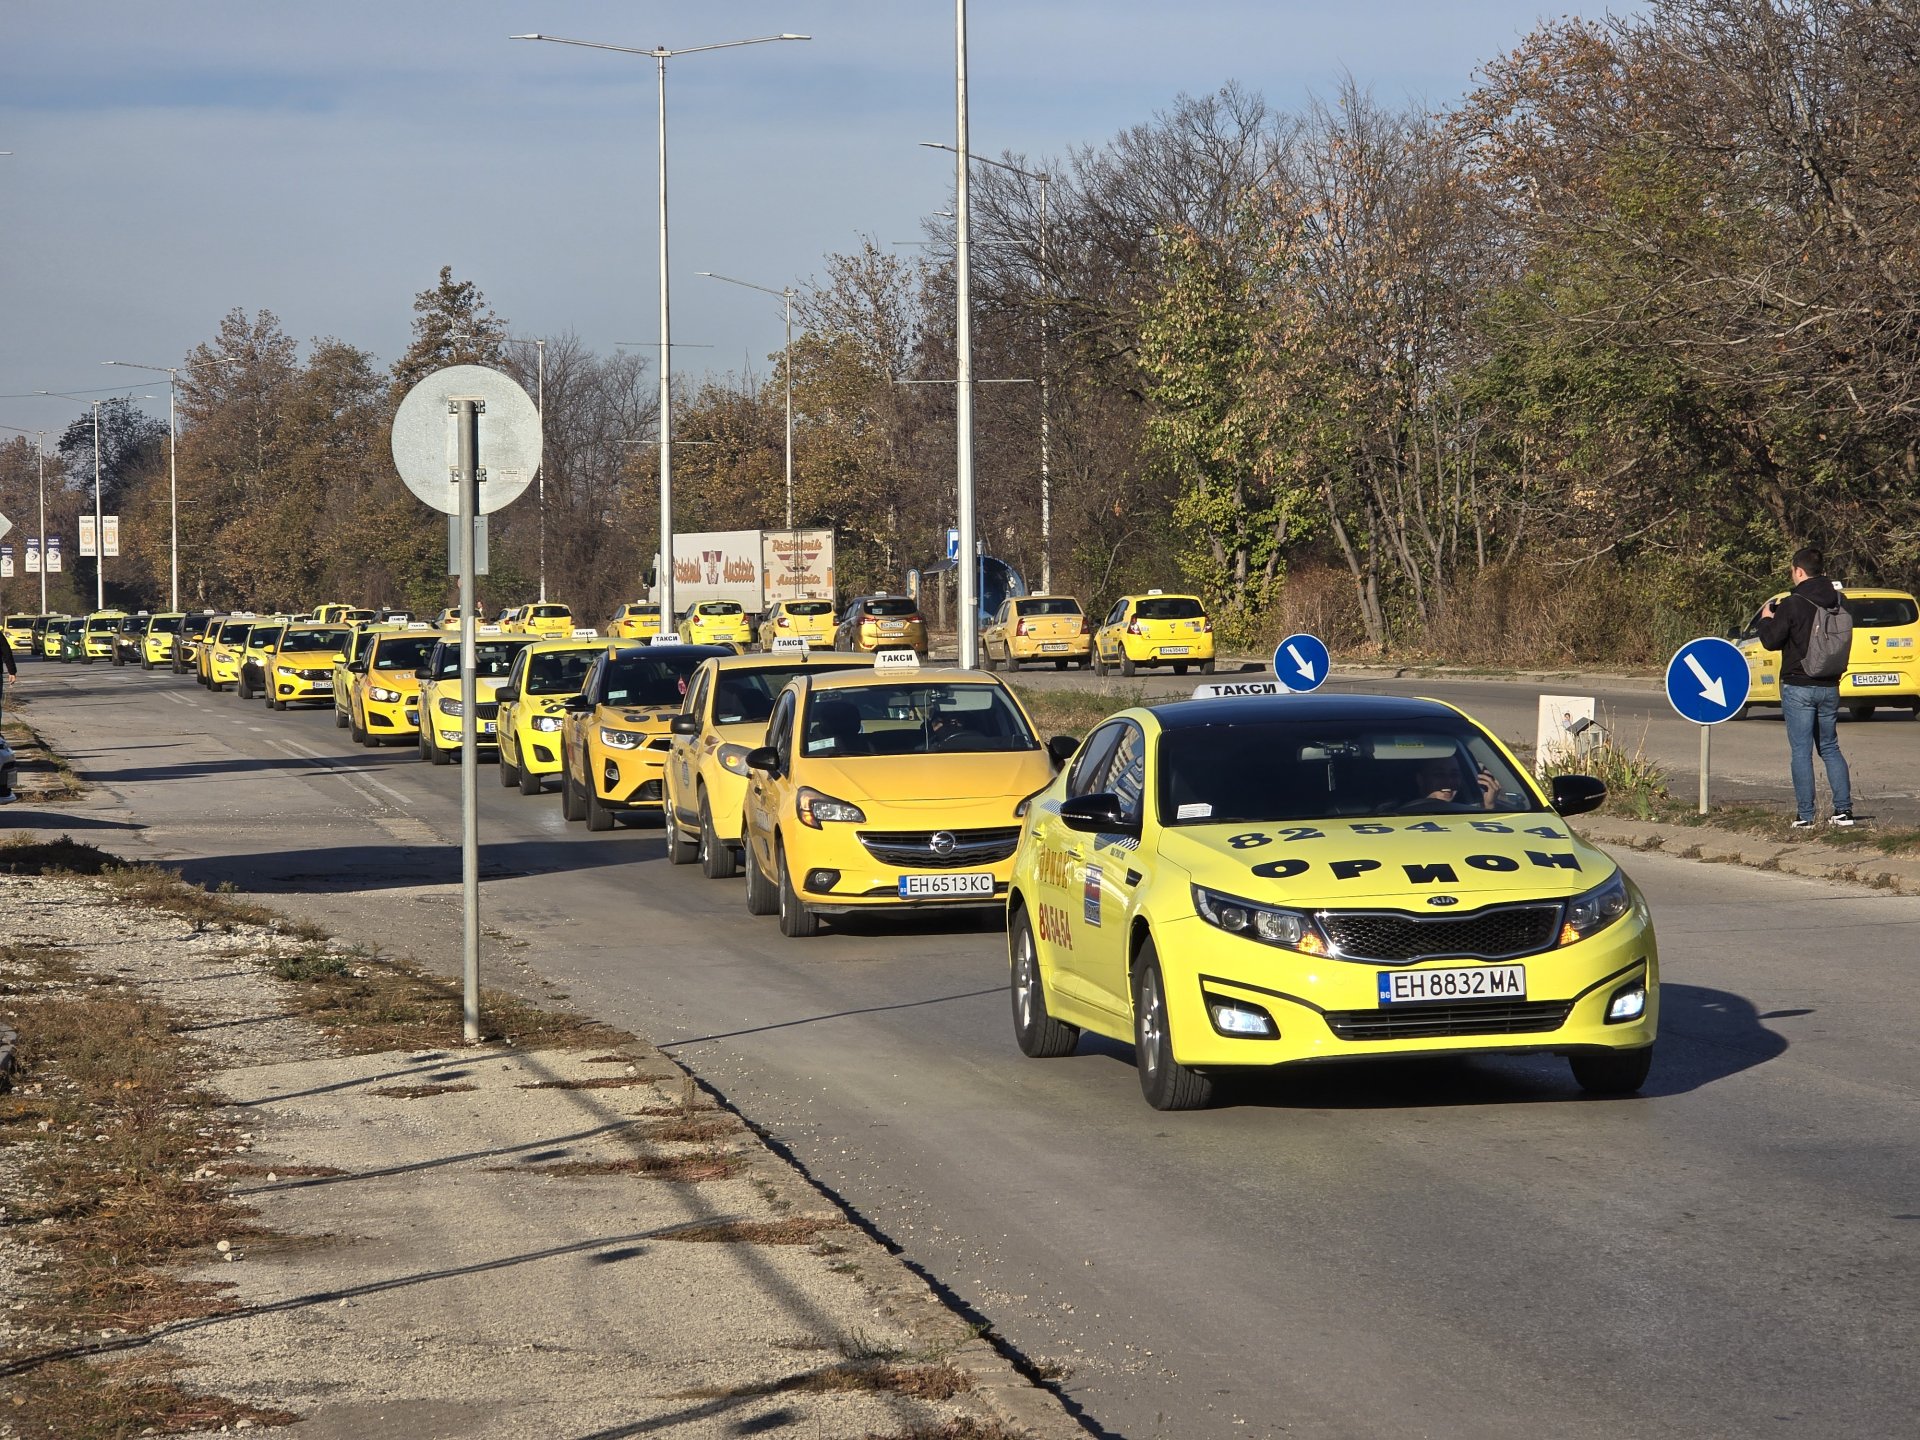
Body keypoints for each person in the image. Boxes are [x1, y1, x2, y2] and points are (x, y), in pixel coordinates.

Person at [1756, 545, 1854, 828]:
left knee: (1801, 751)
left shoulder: (1793, 602)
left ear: (1799, 571)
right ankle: (1844, 812)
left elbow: (1771, 641)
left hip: (1799, 684)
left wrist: (1766, 620)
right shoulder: (1841, 601)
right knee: (1830, 746)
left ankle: (1806, 816)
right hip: (1830, 683)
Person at [1413, 754, 1497, 810]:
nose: (1449, 781)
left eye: (1454, 774)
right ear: (1421, 780)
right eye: (1439, 774)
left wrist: (1489, 805)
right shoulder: (1401, 816)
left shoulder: (1469, 813)